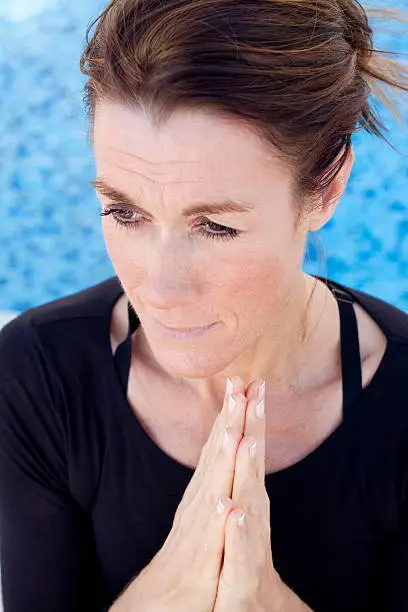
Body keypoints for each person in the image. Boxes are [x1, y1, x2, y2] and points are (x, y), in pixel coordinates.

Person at [1, 0, 408, 610]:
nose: (159, 288)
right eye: (124, 212)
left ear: (326, 187)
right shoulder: (37, 374)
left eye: (215, 226)